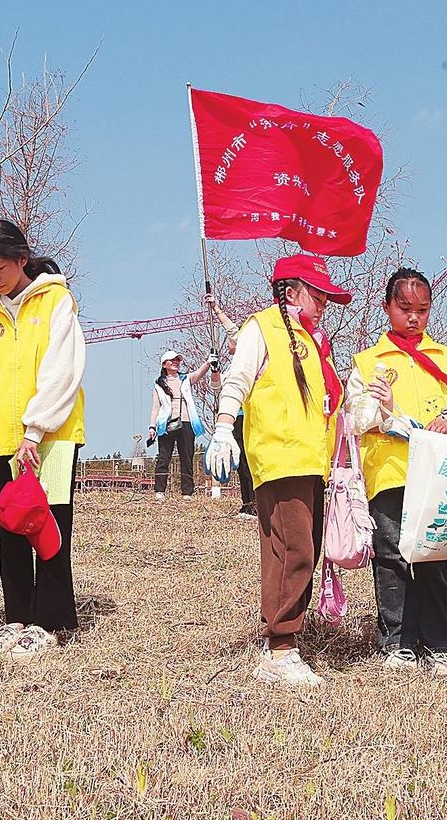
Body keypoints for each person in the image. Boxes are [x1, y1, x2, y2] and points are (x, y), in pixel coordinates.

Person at [204, 253, 350, 689]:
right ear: (291, 291)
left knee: (303, 548)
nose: (323, 300)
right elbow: (238, 378)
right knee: (293, 550)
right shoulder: (262, 328)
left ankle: (286, 638)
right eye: (316, 291)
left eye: (326, 293)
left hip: (312, 461)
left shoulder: (314, 340)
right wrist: (224, 426)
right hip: (281, 457)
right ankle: (280, 647)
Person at [0, 218, 87, 662]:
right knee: (11, 525)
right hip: (4, 438)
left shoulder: (56, 301)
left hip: (53, 436)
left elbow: (62, 369)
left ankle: (53, 621)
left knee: (48, 524)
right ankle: (18, 618)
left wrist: (37, 428)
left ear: (21, 260)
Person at [348, 268, 447, 675]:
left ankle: (440, 644)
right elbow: (354, 419)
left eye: (422, 310)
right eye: (404, 309)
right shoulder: (368, 361)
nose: (413, 318)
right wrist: (381, 412)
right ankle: (397, 643)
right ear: (387, 308)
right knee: (391, 556)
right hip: (390, 471)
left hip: (438, 473)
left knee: (436, 556)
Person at [207, 294, 256, 519]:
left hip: (249, 415)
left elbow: (233, 331)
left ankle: (254, 502)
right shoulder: (231, 370)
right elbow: (217, 388)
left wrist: (216, 309)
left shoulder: (250, 357)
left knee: (250, 460)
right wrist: (215, 370)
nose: (230, 343)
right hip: (234, 417)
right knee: (241, 462)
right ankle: (247, 502)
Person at [146, 349, 214, 501]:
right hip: (165, 423)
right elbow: (155, 407)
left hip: (186, 422)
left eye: (178, 360)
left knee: (187, 457)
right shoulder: (158, 384)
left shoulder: (185, 378)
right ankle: (159, 491)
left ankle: (187, 492)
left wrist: (208, 363)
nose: (176, 362)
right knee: (164, 457)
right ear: (164, 364)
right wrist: (152, 426)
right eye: (172, 360)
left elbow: (198, 374)